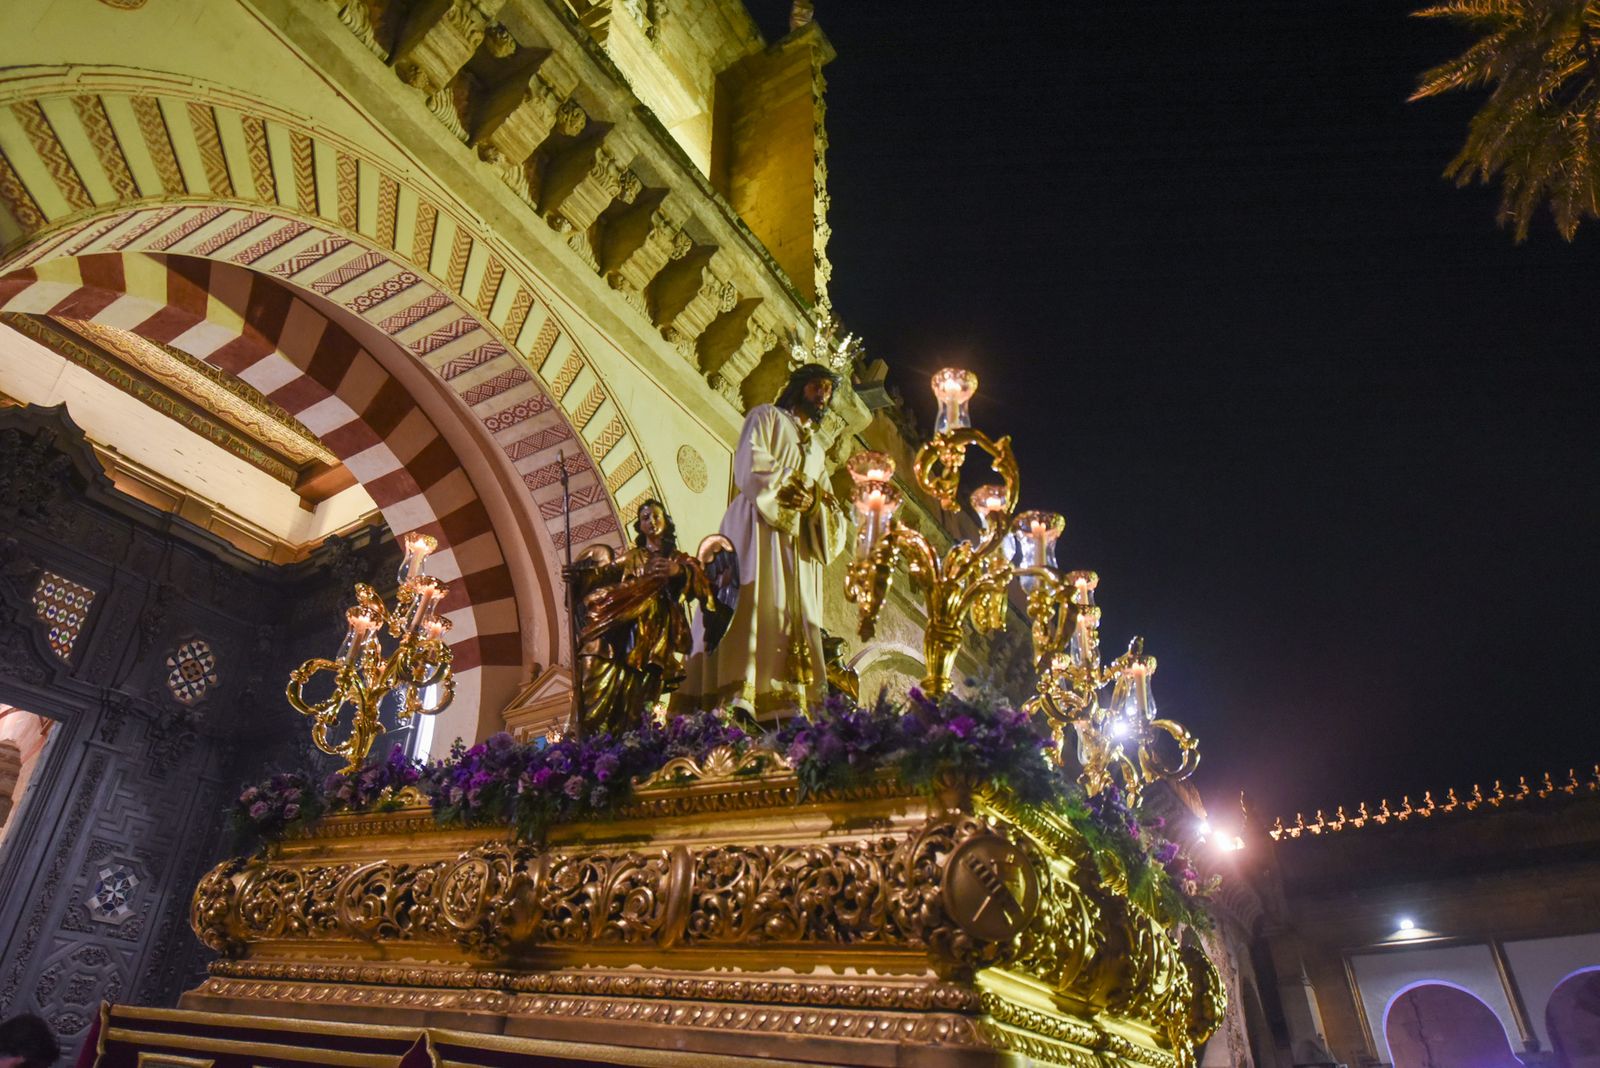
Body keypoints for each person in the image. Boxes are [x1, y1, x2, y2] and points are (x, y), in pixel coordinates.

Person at [691, 362, 848, 718]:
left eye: (828, 390)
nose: (823, 396)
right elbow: (751, 463)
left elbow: (830, 505)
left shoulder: (818, 453)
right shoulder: (766, 417)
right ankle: (740, 694)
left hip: (797, 549)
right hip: (758, 529)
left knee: (790, 615)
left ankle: (786, 700)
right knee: (752, 604)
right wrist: (798, 495)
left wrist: (816, 507)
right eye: (816, 387)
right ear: (799, 387)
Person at [568, 499, 722, 735]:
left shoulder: (677, 558)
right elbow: (605, 572)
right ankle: (589, 737)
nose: (651, 521)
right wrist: (578, 576)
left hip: (653, 634)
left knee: (638, 700)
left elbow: (703, 583)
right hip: (620, 624)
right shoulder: (632, 557)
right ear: (639, 527)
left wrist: (678, 571)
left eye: (656, 516)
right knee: (597, 673)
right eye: (645, 518)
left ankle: (627, 741)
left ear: (666, 523)